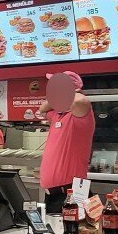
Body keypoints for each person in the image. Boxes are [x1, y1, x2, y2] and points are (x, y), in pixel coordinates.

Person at [36, 70, 94, 215]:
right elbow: (42, 109)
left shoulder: (80, 116)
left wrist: (71, 92)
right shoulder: (57, 114)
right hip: (53, 196)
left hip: (71, 193)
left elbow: (80, 101)